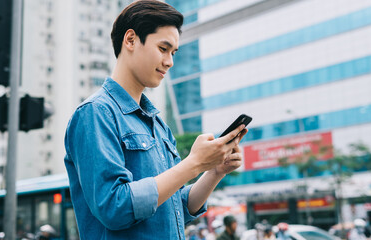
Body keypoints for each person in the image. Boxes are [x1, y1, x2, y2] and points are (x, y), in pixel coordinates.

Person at [63, 0, 248, 239]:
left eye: (173, 53)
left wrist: (214, 171)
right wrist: (193, 163)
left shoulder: (158, 125)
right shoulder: (95, 113)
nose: (170, 61)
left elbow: (176, 207)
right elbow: (113, 207)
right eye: (163, 48)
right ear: (130, 40)